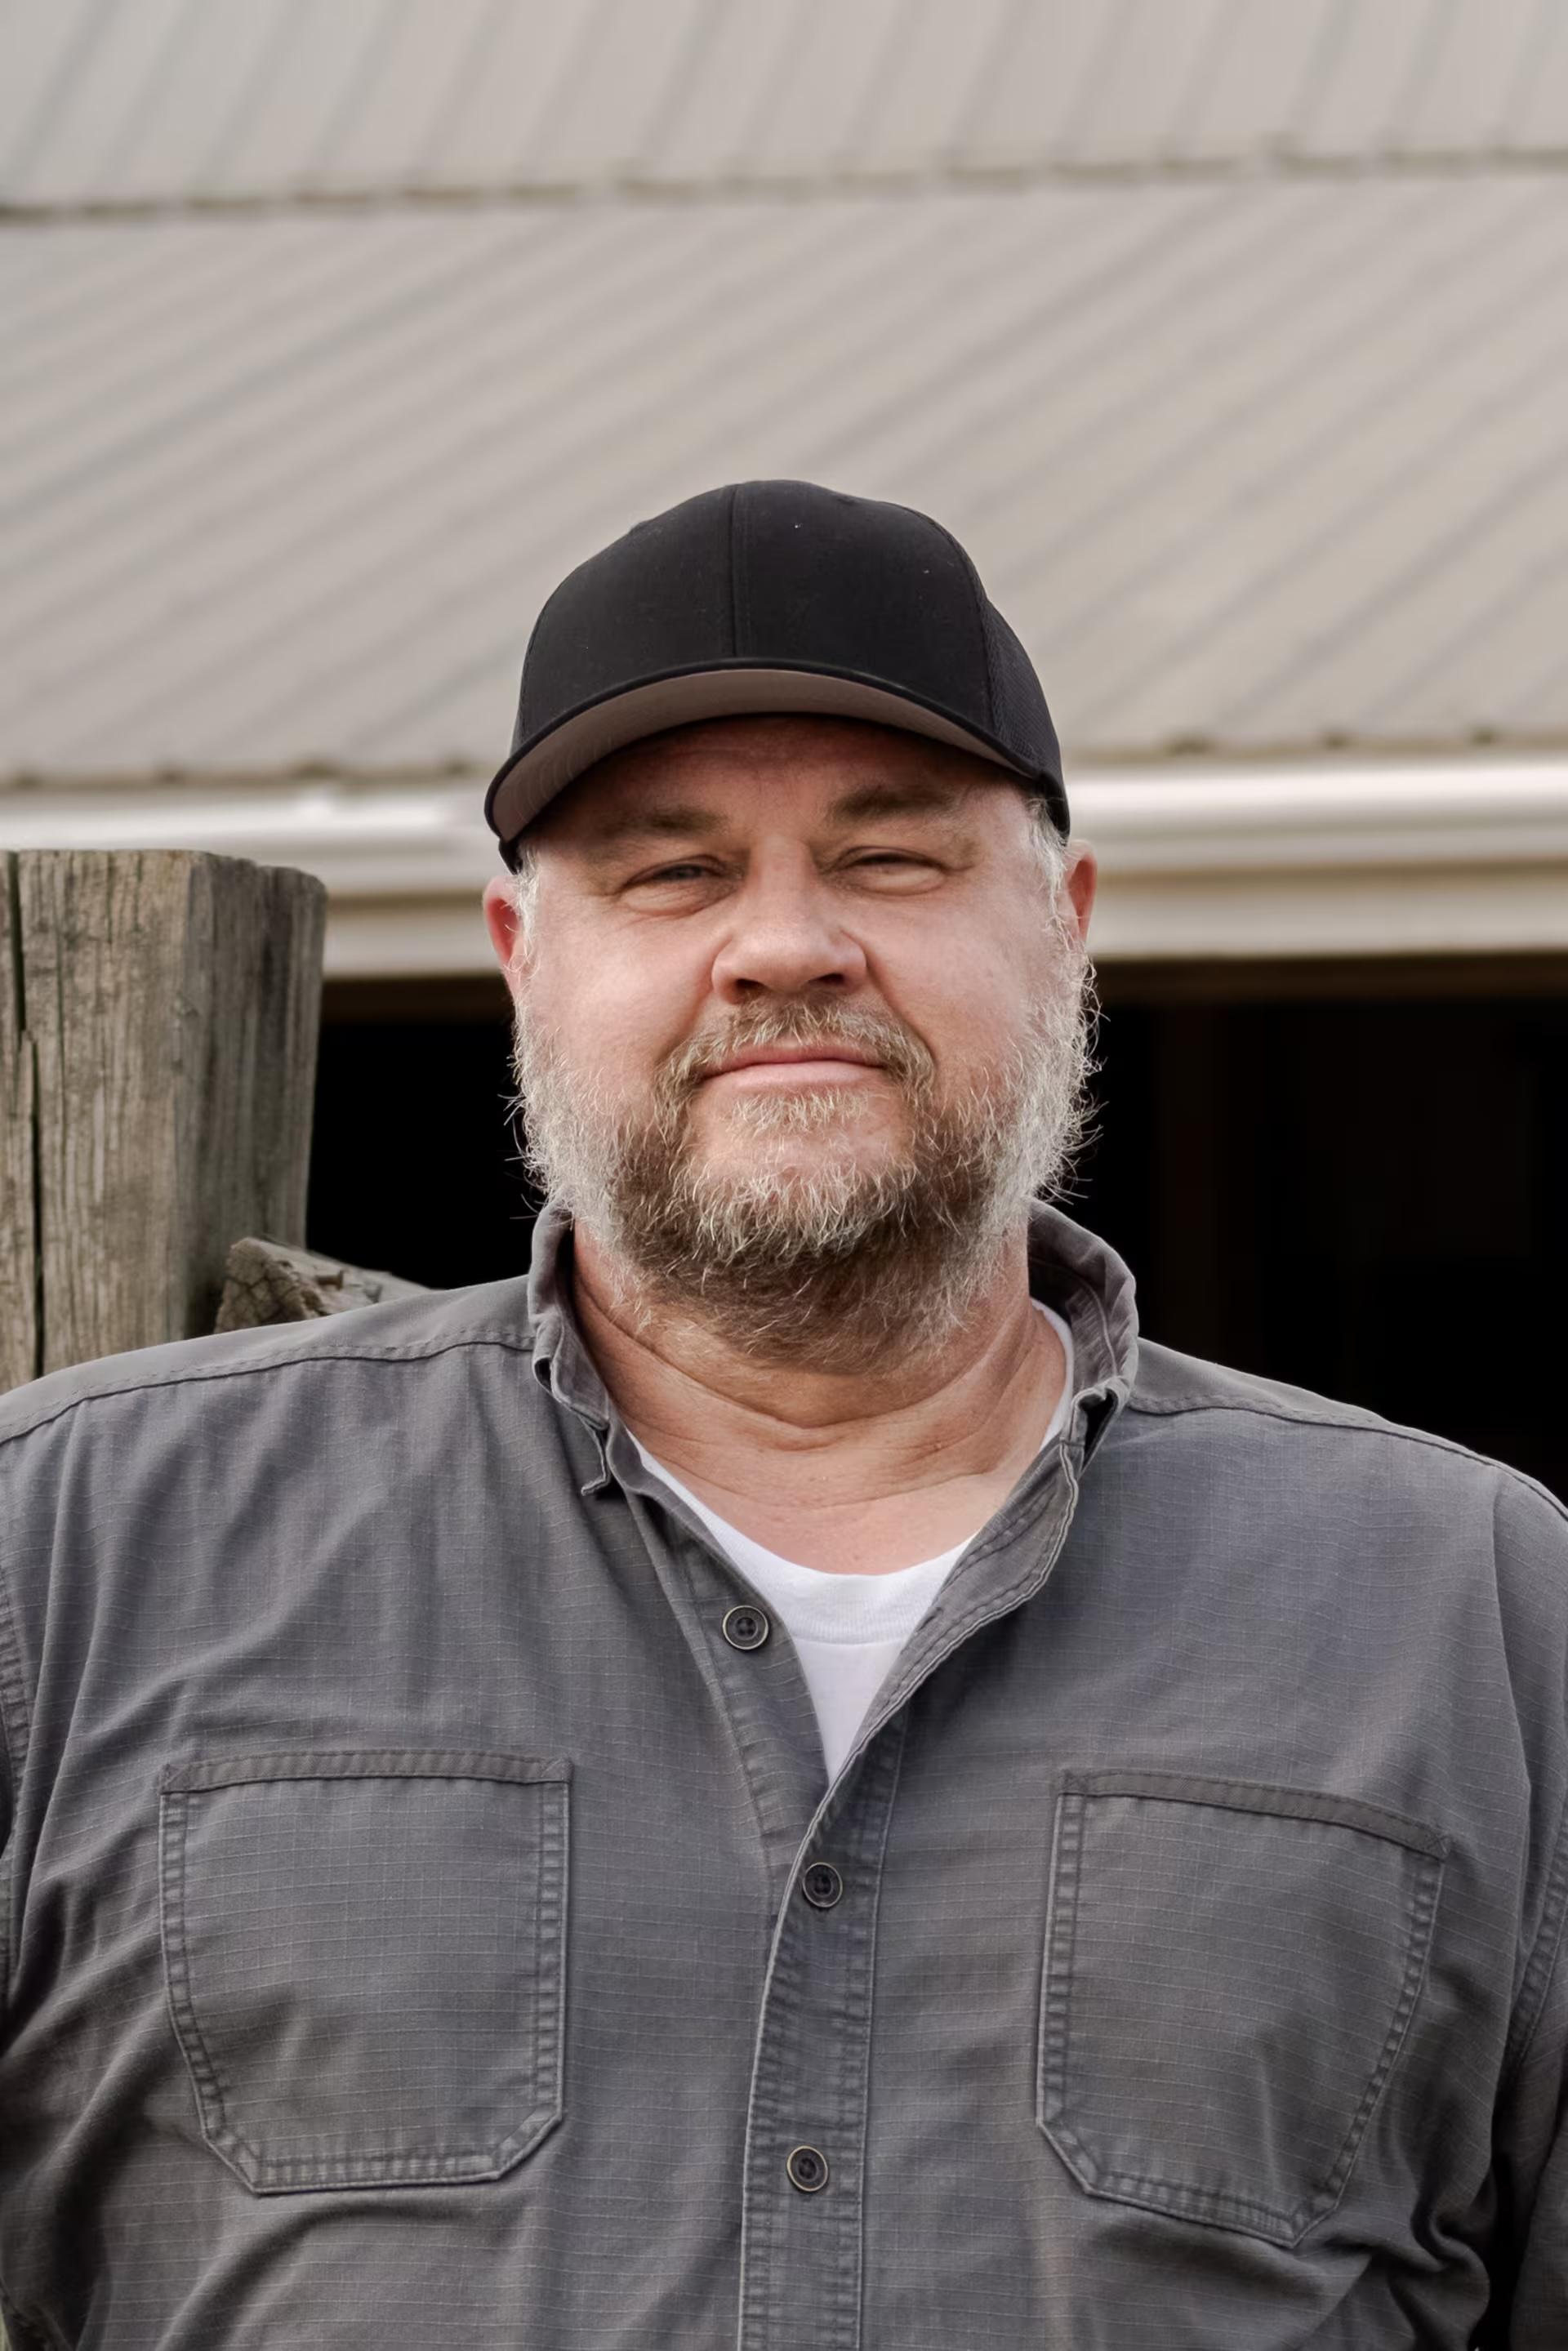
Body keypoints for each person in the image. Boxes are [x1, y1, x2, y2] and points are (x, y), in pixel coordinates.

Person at [0, 480, 1562, 2349]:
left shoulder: (1473, 1607)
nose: (782, 945)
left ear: (1065, 929)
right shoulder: (75, 1554)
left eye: (889, 858)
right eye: (672, 872)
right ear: (522, 959)